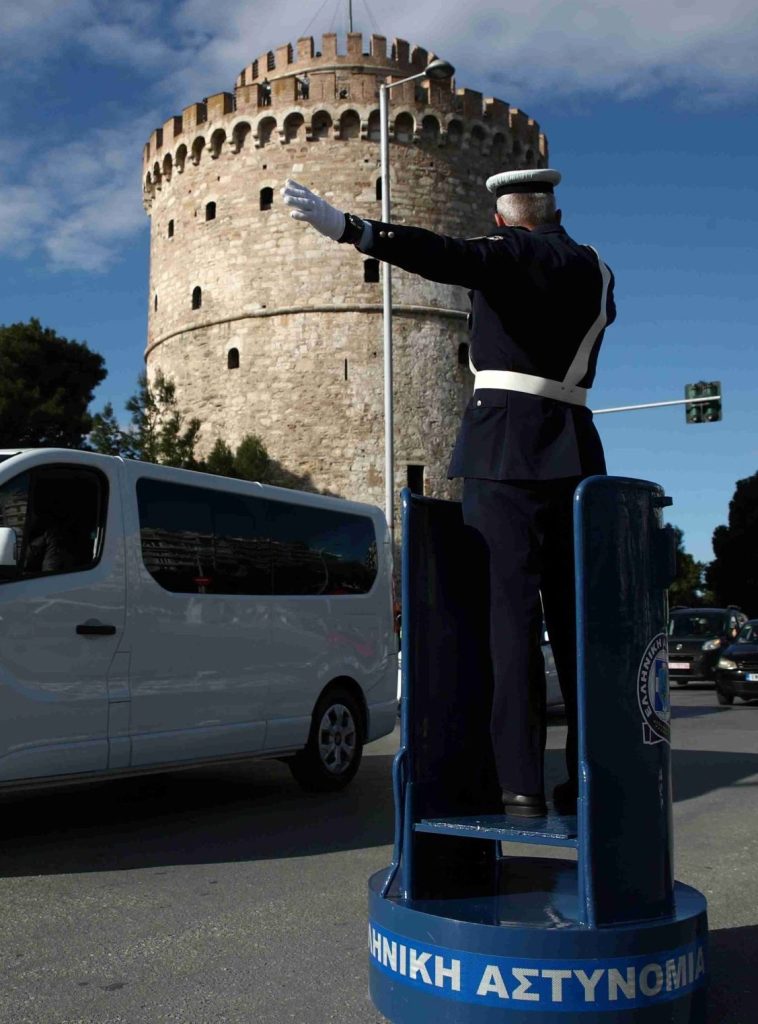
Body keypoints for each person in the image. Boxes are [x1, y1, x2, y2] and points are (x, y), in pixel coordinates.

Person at [281, 169, 616, 818]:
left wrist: (353, 229)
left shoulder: (507, 254)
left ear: (501, 219)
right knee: (578, 626)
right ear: (555, 210)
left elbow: (446, 255)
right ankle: (587, 778)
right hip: (578, 450)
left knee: (511, 623)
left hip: (503, 451)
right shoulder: (597, 269)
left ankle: (518, 782)